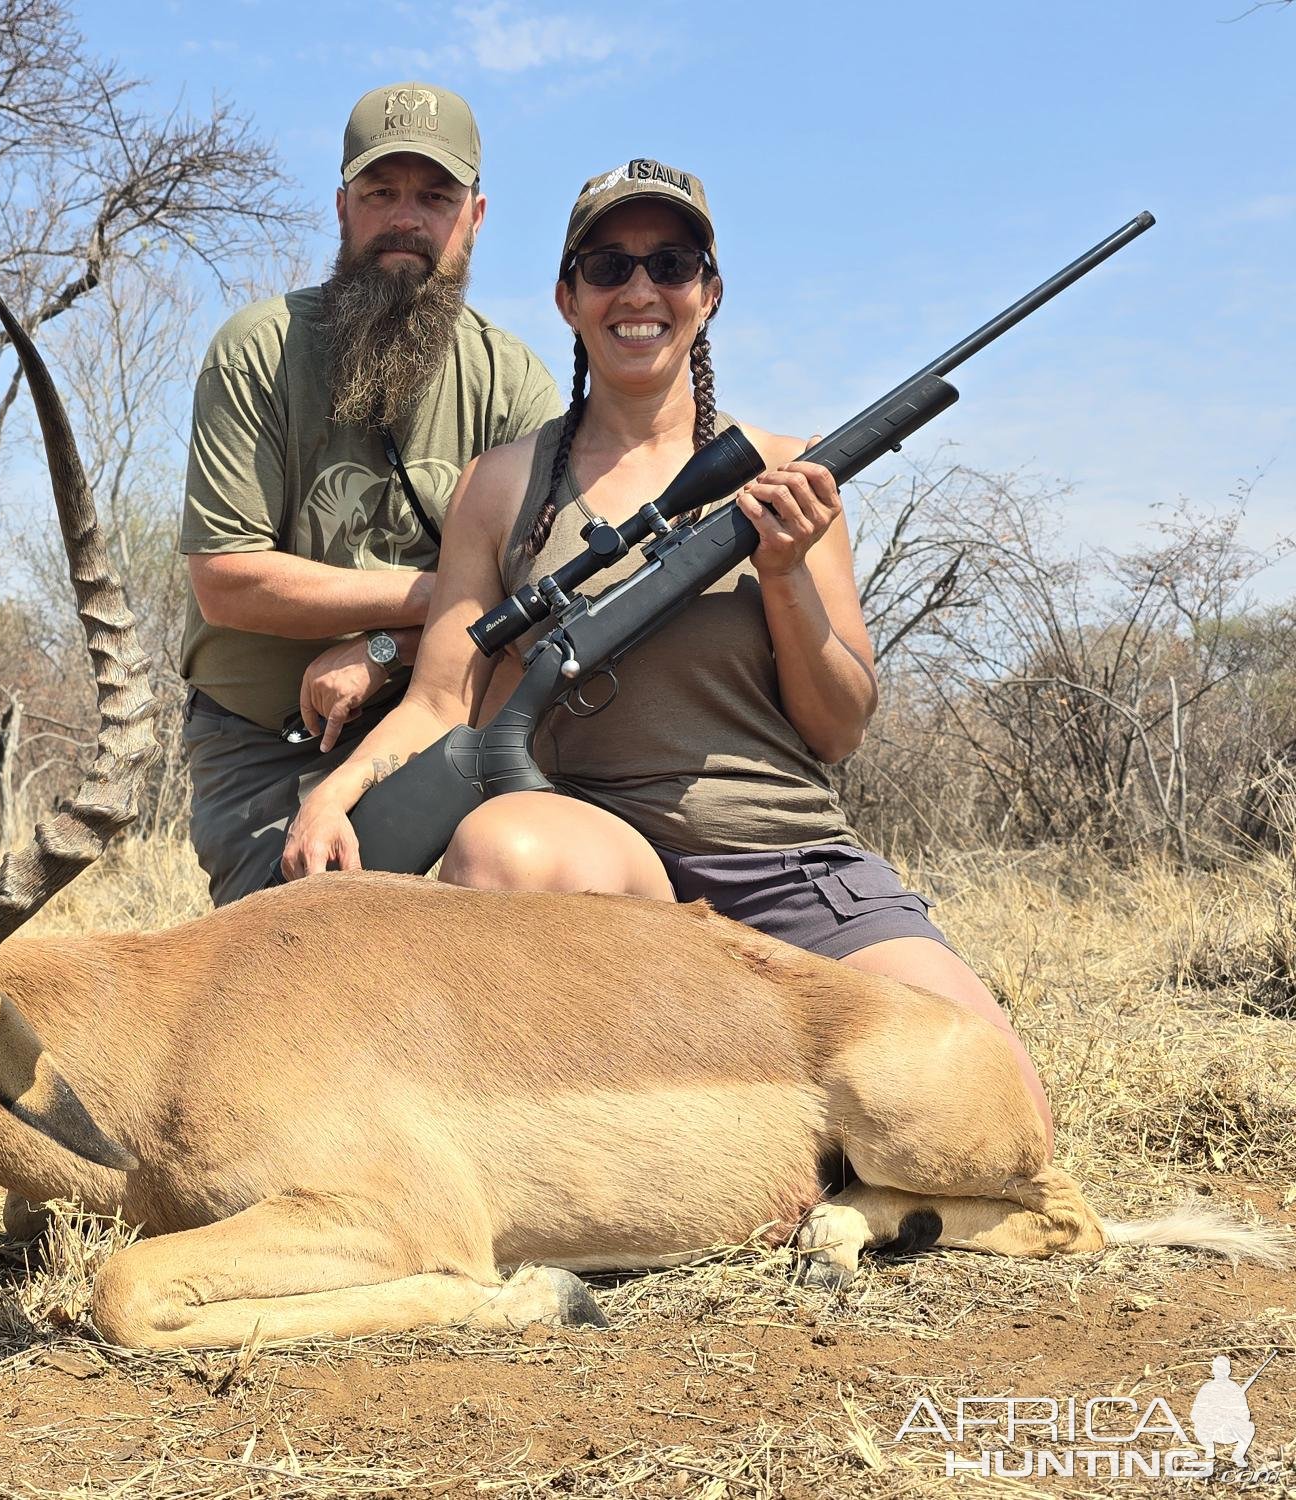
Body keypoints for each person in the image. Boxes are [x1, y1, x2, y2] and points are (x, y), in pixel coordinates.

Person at [282, 158, 1052, 1140]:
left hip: (782, 855)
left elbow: (836, 727)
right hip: (606, 864)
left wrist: (781, 572)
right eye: (607, 266)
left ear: (709, 292)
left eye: (671, 263)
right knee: (499, 848)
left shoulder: (785, 472)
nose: (639, 291)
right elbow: (442, 703)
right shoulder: (502, 484)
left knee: (998, 1120)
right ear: (567, 297)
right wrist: (334, 793)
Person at [177, 82, 564, 907]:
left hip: (446, 716)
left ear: (477, 216)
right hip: (266, 738)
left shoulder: (515, 385)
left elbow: (543, 606)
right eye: (381, 192)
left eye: (435, 196)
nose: (406, 218)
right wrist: (438, 599)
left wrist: (386, 650)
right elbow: (225, 579)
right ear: (342, 207)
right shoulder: (259, 352)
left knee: (504, 920)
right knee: (294, 962)